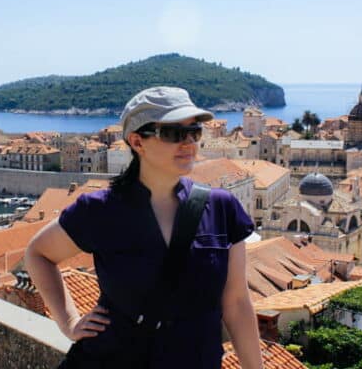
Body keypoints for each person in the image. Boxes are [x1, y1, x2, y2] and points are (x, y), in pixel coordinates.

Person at [25, 86, 264, 369]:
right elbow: (38, 254)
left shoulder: (222, 208)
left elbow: (237, 304)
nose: (188, 142)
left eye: (194, 132)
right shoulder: (99, 210)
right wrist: (69, 322)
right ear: (137, 142)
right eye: (174, 133)